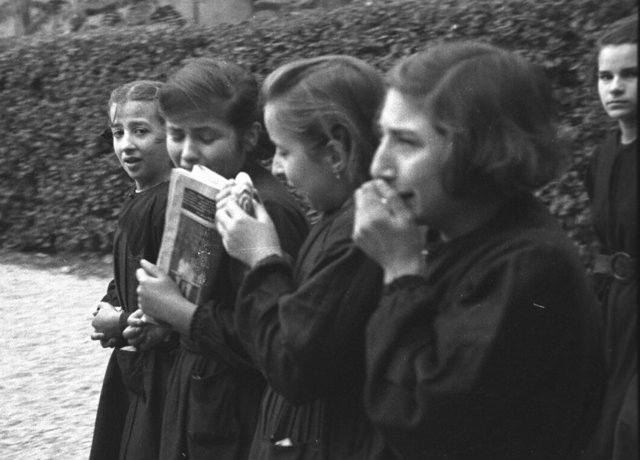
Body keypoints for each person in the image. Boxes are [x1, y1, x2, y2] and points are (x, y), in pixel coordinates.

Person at [352, 41, 605, 459]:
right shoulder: (452, 237)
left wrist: (400, 272)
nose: (379, 165)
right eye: (383, 137)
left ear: (478, 149)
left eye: (406, 142)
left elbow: (419, 419)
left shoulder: (527, 265)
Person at [214, 55, 394, 459]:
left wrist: (262, 257)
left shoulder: (361, 234)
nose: (276, 168)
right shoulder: (340, 218)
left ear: (335, 152)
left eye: (283, 151)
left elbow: (292, 366)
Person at [132, 58, 309, 460]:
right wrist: (164, 322)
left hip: (241, 421)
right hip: (202, 404)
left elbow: (274, 341)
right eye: (176, 134)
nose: (187, 153)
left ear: (249, 137)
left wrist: (180, 313)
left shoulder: (267, 211)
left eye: (206, 137)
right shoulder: (203, 189)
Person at [89, 80, 176, 460]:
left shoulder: (170, 203)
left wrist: (121, 321)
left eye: (141, 131)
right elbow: (127, 268)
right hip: (131, 363)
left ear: (171, 134)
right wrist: (107, 305)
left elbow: (174, 296)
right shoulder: (138, 197)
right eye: (118, 132)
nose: (126, 144)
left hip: (160, 372)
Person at [583, 16, 638, 460]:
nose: (615, 87)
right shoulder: (601, 156)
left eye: (630, 74)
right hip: (613, 309)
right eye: (606, 76)